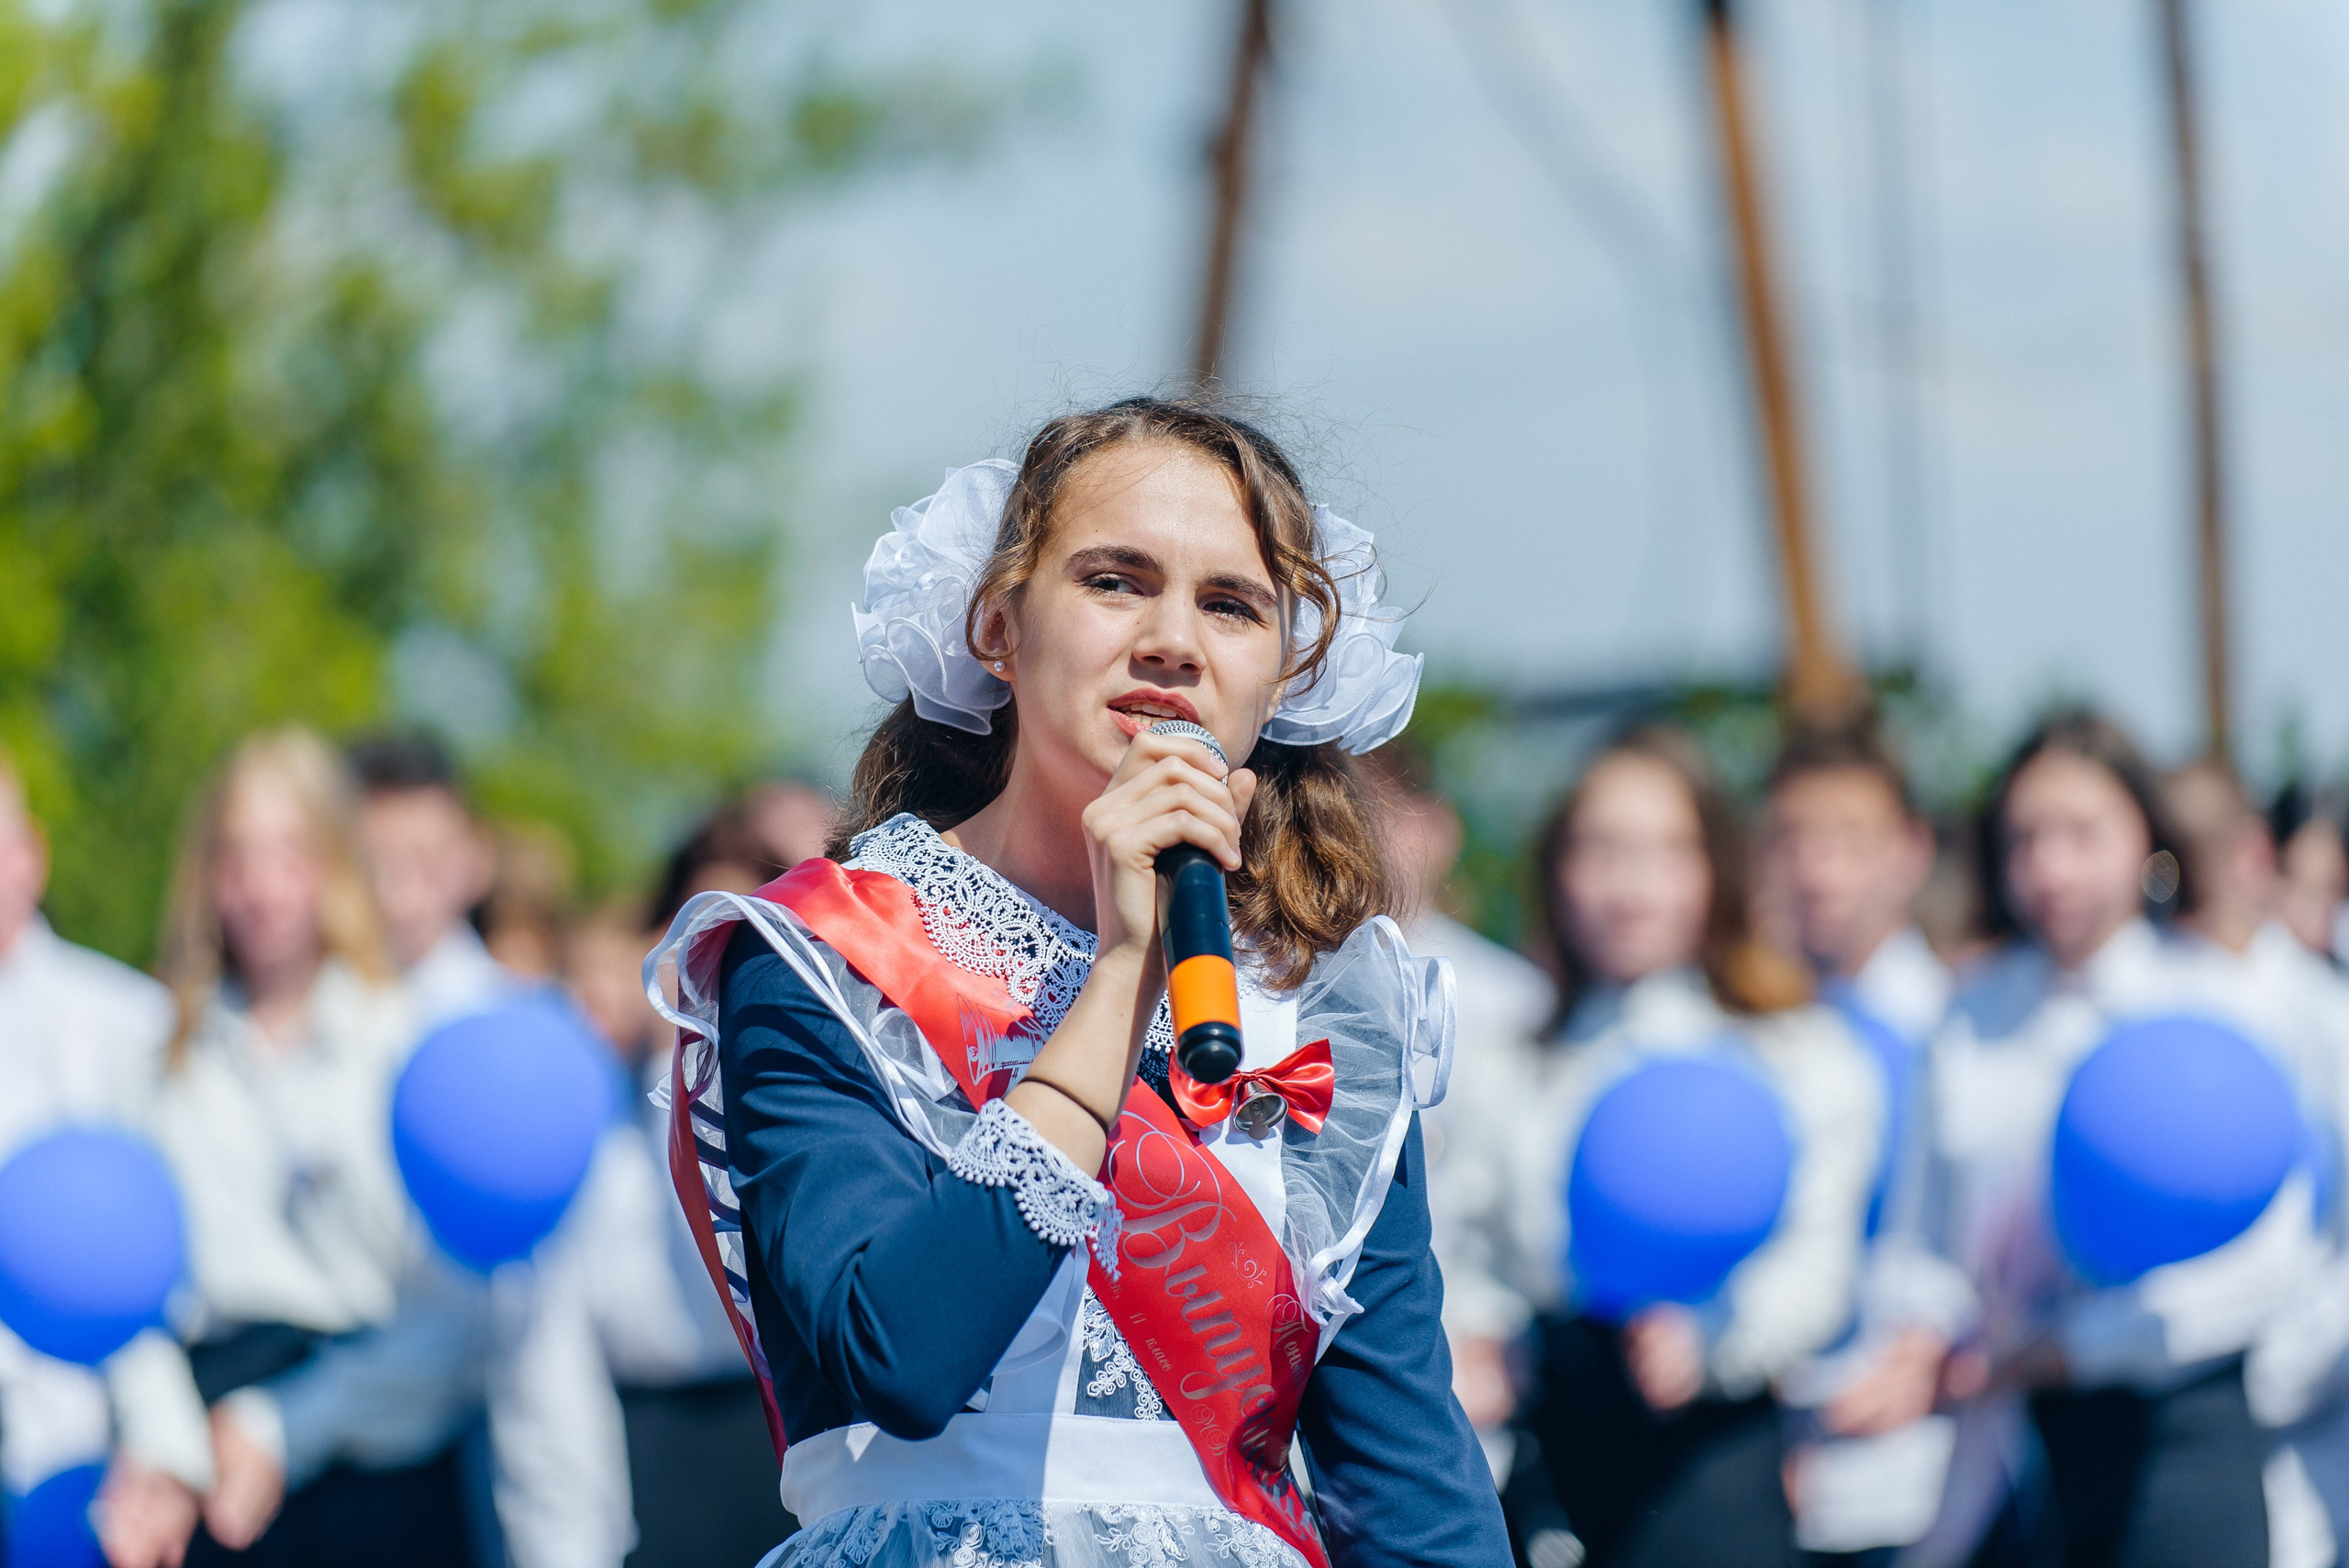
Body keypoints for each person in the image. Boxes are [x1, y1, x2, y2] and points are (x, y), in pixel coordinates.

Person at [642, 396, 1507, 1568]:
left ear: (1283, 673)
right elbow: (897, 1351)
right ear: (998, 624)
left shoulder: (1322, 1002)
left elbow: (1407, 1483)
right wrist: (1119, 976)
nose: (1172, 640)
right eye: (1115, 580)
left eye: (1231, 604)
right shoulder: (827, 953)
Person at [1440, 723, 1881, 1568]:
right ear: (1557, 867)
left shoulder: (1799, 1054)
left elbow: (1818, 1267)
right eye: (1600, 848)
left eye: (1666, 849)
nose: (1630, 883)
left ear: (1717, 867)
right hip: (1553, 1455)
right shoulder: (1511, 1064)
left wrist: (1713, 1339)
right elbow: (1470, 1247)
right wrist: (1479, 1338)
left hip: (1714, 1455)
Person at [1921, 711, 2324, 1568]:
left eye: (2080, 832)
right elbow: (1929, 1237)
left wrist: (2076, 1349)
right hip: (2018, 1453)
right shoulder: (1969, 1016)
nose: (2051, 867)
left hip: (2183, 1437)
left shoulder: (2215, 1001)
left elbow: (2270, 1257)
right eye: (2026, 837)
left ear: (2147, 837)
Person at [105, 728, 493, 1568]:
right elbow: (123, 1287)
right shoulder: (158, 1056)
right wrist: (168, 1443)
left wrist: (288, 1424)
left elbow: (450, 1316)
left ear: (334, 866)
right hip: (204, 1459)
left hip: (371, 1463)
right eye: (237, 858)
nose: (262, 889)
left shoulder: (403, 1044)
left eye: (289, 854)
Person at [1757, 725, 1969, 1563]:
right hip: (1775, 1466)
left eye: (1849, 839)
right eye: (1792, 838)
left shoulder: (1956, 1032)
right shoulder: (1757, 1034)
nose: (1817, 869)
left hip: (1926, 1477)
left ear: (1911, 850)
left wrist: (1933, 1350)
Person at [0, 751, 206, 1568]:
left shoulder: (135, 1024)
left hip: (99, 1477)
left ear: (31, 853)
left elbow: (168, 1272)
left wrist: (162, 1450)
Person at [1364, 741, 1553, 1482]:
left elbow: (1533, 1214)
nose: (1378, 837)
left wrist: (1502, 1333)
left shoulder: (1513, 1002)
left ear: (1441, 828)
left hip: (1476, 1363)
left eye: (1397, 813)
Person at [349, 733, 501, 1025]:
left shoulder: (507, 1013)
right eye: (381, 862)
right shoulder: (309, 1006)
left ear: (477, 860)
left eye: (426, 861)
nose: (404, 895)